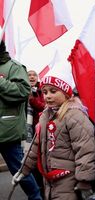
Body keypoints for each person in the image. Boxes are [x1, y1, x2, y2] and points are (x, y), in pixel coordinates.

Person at [12, 73, 95, 200]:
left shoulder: (75, 115)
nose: (48, 96)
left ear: (66, 93)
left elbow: (85, 150)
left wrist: (84, 181)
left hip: (70, 180)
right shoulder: (45, 115)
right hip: (50, 180)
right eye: (45, 92)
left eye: (53, 91)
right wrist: (23, 170)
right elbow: (35, 147)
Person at [0, 41, 42, 200]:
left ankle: (36, 197)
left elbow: (22, 92)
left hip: (7, 131)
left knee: (19, 170)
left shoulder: (15, 67)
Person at [27, 70, 46, 197]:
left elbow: (44, 106)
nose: (32, 77)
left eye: (34, 75)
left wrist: (32, 100)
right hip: (28, 130)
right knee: (31, 159)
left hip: (41, 129)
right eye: (29, 75)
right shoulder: (22, 90)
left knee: (41, 157)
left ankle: (42, 187)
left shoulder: (42, 91)